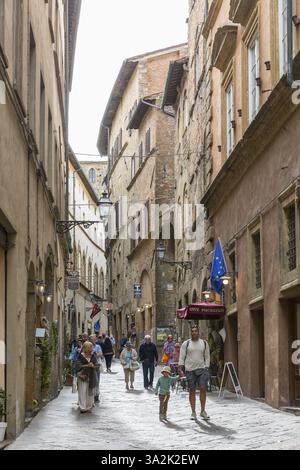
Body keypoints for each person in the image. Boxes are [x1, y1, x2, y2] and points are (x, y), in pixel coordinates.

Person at [179, 325, 211, 421]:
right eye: (192, 331)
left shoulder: (204, 343)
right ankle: (193, 412)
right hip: (190, 370)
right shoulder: (186, 343)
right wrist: (180, 368)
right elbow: (182, 356)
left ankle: (203, 411)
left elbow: (207, 356)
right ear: (190, 332)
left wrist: (206, 367)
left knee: (203, 388)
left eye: (195, 331)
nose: (194, 333)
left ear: (198, 332)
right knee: (192, 390)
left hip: (202, 369)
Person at [76, 341, 99, 413]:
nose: (92, 348)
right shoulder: (81, 356)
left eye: (92, 347)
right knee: (82, 391)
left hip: (91, 376)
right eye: (90, 347)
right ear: (86, 348)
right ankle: (82, 407)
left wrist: (93, 365)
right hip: (82, 376)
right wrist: (87, 365)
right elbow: (78, 366)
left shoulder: (93, 355)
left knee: (89, 391)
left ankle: (89, 406)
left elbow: (97, 365)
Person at [90, 335, 103, 402]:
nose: (94, 340)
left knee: (97, 381)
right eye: (93, 339)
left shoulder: (98, 346)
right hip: (89, 366)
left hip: (96, 366)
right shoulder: (88, 345)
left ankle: (96, 396)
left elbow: (100, 354)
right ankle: (91, 395)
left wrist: (94, 354)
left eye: (95, 339)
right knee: (90, 381)